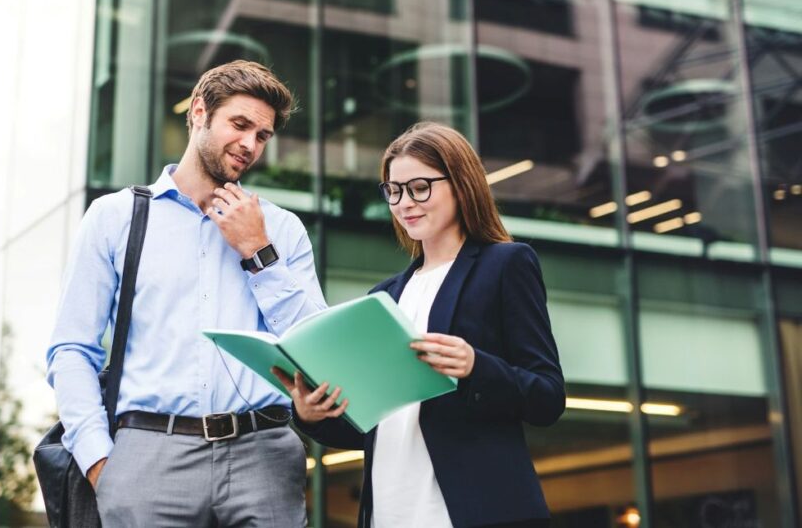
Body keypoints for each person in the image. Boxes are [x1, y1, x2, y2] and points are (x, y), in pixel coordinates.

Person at [47, 60, 326, 527]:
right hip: (149, 458)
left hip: (264, 456)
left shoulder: (281, 229)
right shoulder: (115, 217)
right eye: (239, 125)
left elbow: (315, 346)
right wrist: (98, 461)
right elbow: (72, 348)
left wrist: (259, 251)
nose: (249, 145)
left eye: (262, 136)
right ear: (199, 112)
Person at [276, 121, 565, 528]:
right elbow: (371, 426)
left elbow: (547, 396)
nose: (404, 202)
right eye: (394, 190)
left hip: (471, 510)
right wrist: (311, 414)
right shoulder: (386, 295)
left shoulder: (506, 264)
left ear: (461, 184)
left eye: (419, 188)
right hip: (390, 510)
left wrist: (475, 367)